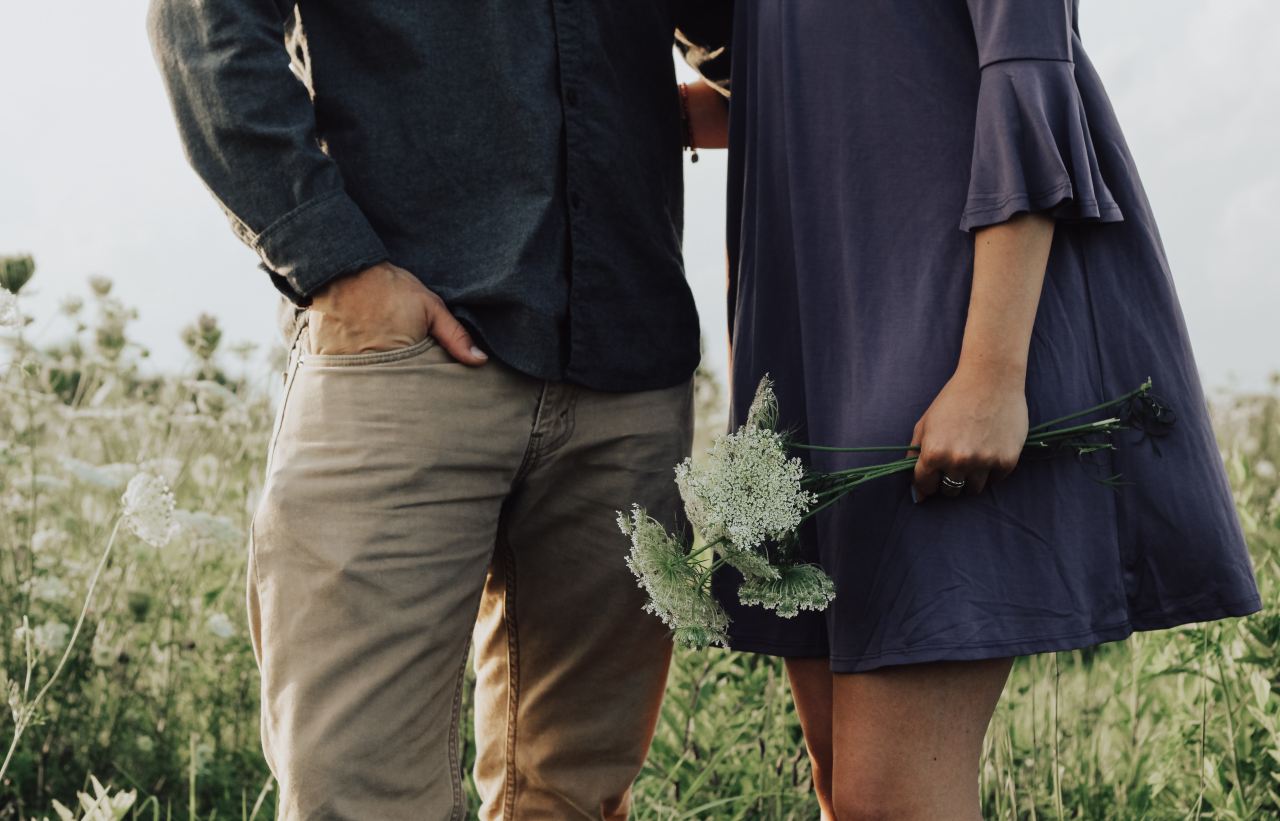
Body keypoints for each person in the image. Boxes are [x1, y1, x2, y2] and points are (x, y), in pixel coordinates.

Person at [146, 2, 727, 818]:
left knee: (572, 797)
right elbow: (205, 25)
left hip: (625, 365)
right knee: (355, 794)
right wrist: (335, 267)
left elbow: (744, 32)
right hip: (398, 357)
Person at [708, 1, 1263, 818]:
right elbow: (753, 57)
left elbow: (1029, 69)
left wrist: (992, 371)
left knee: (887, 798)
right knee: (843, 787)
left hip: (950, 331)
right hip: (815, 333)